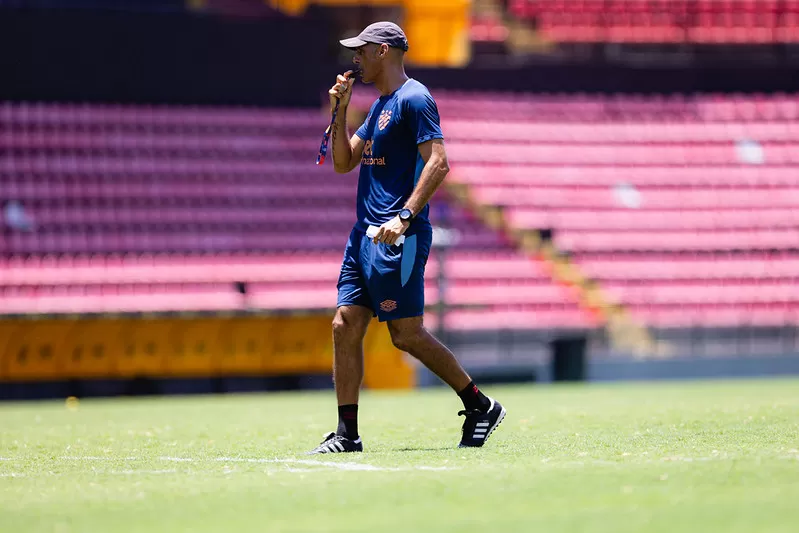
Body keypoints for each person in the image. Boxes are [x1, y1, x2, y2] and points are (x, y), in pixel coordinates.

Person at [310, 22, 505, 454]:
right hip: (364, 236)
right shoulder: (380, 105)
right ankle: (347, 434)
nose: (355, 58)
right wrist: (340, 110)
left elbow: (439, 162)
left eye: (361, 50)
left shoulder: (415, 98)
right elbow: (343, 162)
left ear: (383, 51)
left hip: (399, 237)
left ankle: (480, 405)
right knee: (345, 324)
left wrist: (403, 217)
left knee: (406, 334)